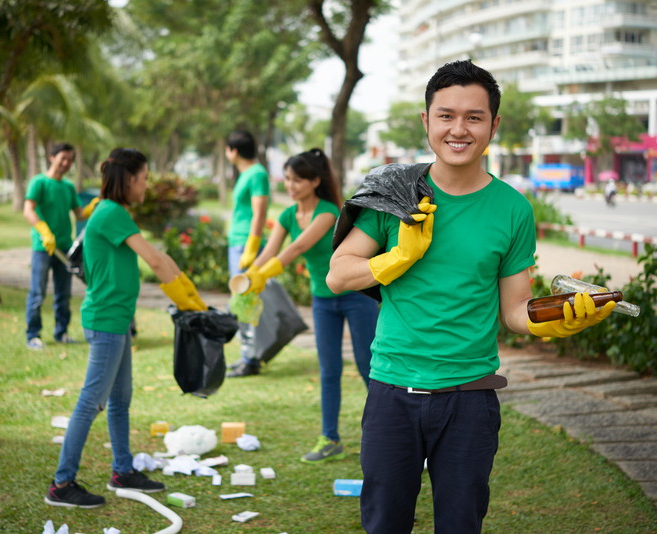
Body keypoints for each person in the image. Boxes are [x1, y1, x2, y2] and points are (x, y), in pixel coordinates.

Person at [327, 60, 616, 533]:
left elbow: (514, 310)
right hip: (392, 390)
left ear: (493, 125)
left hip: (469, 398)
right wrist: (398, 258)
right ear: (426, 121)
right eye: (445, 115)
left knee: (462, 524)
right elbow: (339, 275)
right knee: (383, 523)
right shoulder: (397, 194)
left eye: (473, 117)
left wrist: (556, 319)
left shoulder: (512, 209)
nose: (458, 129)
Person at [45, 148, 207, 508]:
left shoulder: (111, 212)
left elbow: (156, 258)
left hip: (115, 320)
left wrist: (192, 301)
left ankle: (122, 470)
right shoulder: (112, 212)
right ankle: (61, 484)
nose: (147, 185)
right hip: (106, 321)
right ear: (129, 179)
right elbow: (154, 259)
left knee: (120, 400)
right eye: (145, 178)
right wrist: (192, 304)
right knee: (92, 402)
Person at [244, 149, 379, 463]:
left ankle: (390, 435)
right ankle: (329, 438)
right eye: (288, 179)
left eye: (298, 180)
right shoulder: (288, 214)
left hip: (356, 295)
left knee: (367, 366)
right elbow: (271, 249)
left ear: (315, 181)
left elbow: (299, 246)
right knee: (328, 370)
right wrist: (249, 274)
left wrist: (266, 273)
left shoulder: (328, 212)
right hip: (323, 301)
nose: (291, 186)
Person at [23, 143, 99, 350]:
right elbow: (28, 210)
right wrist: (44, 231)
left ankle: (61, 332)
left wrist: (93, 206)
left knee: (63, 293)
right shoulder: (39, 182)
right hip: (43, 246)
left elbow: (80, 214)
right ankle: (33, 335)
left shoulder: (67, 187)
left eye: (70, 160)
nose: (66, 163)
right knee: (37, 292)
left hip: (65, 248)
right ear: (51, 157)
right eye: (63, 158)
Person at [224, 130, 270, 377]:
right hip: (238, 244)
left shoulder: (257, 173)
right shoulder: (246, 174)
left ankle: (250, 358)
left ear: (234, 150)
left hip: (245, 246)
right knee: (240, 300)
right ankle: (247, 355)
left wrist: (252, 247)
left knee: (245, 300)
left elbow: (259, 213)